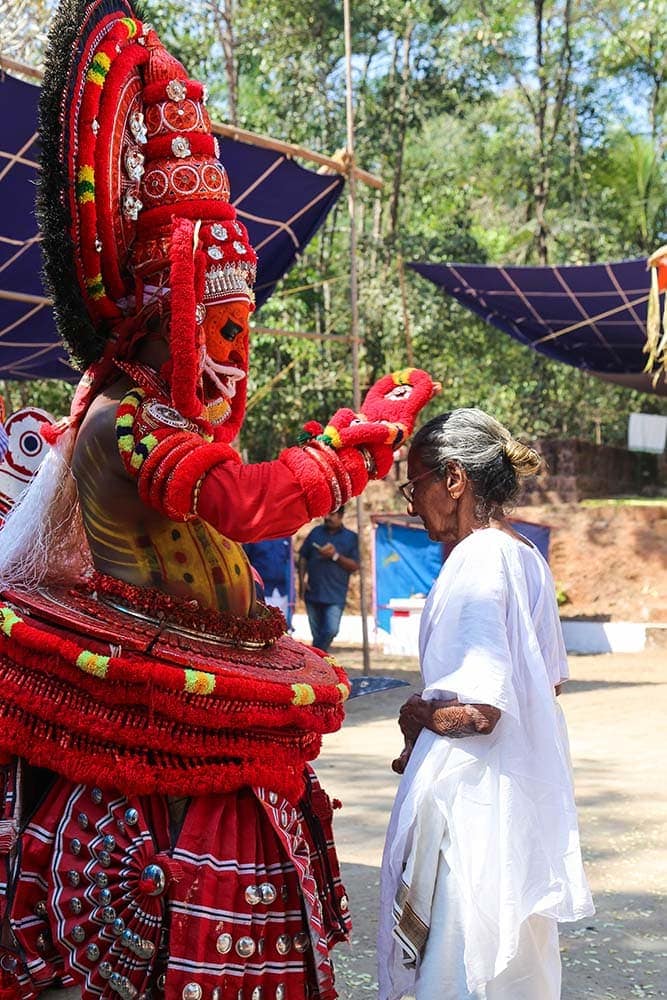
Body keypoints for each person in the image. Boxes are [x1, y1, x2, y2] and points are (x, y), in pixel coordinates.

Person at [0, 2, 440, 997]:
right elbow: (249, 505)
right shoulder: (123, 418)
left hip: (214, 692)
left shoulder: (151, 413)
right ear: (175, 315)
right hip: (143, 702)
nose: (236, 364)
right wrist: (362, 434)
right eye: (228, 332)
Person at [378, 408, 594, 1000]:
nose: (412, 501)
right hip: (518, 802)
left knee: (459, 964)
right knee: (513, 969)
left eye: (414, 483)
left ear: (453, 480)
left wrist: (418, 713)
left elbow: (478, 713)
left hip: (473, 810)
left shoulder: (477, 560)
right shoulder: (525, 554)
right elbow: (545, 685)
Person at [299, 507, 359, 652]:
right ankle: (318, 664)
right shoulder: (315, 532)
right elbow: (302, 557)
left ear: (341, 516)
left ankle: (313, 655)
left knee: (331, 630)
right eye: (325, 513)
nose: (327, 517)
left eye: (332, 514)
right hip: (313, 592)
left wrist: (334, 556)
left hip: (335, 594)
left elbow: (354, 565)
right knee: (317, 633)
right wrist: (301, 581)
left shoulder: (351, 537)